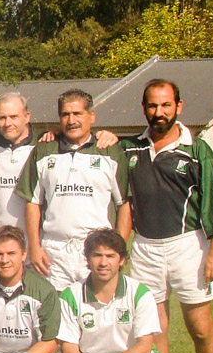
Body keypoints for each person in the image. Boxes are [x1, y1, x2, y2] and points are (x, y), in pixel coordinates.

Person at [124, 79, 213, 353]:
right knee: (155, 328)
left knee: (200, 327)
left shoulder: (197, 148)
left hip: (188, 245)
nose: (159, 113)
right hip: (144, 247)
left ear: (179, 107)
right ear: (143, 108)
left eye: (166, 105)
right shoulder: (130, 148)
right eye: (153, 106)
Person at [17, 90, 131, 291]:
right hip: (53, 251)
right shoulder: (44, 150)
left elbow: (124, 205)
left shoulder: (110, 151)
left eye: (77, 113)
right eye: (65, 114)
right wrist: (34, 247)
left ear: (91, 116)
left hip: (97, 249)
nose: (71, 120)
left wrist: (117, 250)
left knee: (95, 315)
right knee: (56, 317)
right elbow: (33, 203)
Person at [0, 93, 36, 236]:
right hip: (1, 236)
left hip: (36, 237)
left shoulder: (44, 143)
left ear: (27, 116)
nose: (7, 123)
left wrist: (103, 134)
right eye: (2, 118)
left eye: (13, 117)